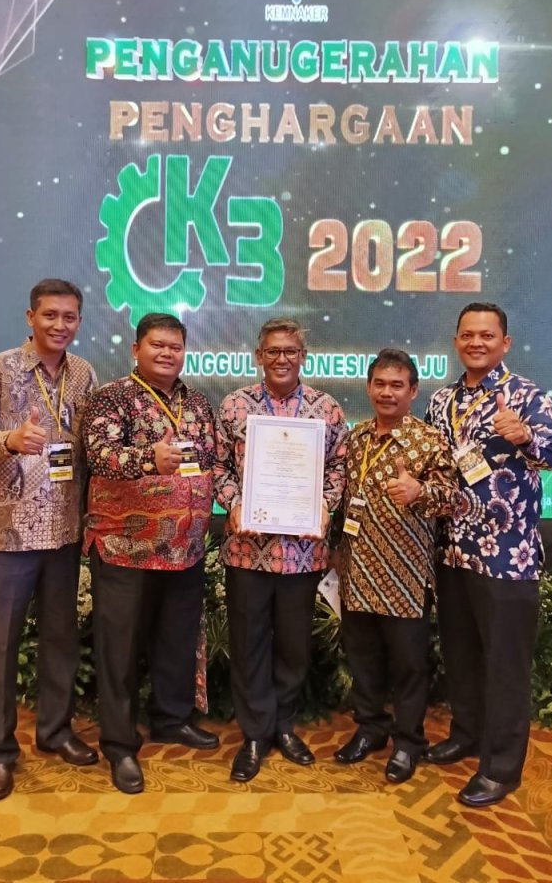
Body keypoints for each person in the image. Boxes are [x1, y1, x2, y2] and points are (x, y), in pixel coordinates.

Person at [0, 279, 99, 802]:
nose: (60, 325)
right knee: (0, 647)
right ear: (30, 317)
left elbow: (88, 446)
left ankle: (55, 732)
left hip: (63, 531)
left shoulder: (83, 373)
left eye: (70, 316)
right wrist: (9, 440)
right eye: (50, 315)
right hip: (8, 534)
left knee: (61, 641)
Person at [425, 302, 552, 807]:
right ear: (456, 341)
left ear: (505, 343)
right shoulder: (442, 401)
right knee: (461, 655)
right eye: (468, 334)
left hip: (507, 557)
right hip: (453, 552)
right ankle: (466, 735)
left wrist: (526, 435)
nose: (477, 342)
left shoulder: (526, 395)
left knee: (505, 665)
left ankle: (502, 767)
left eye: (487, 335)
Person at [82, 312, 218, 795]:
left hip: (185, 548)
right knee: (119, 651)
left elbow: (211, 459)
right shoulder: (112, 398)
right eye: (157, 345)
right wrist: (147, 459)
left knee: (175, 642)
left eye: (175, 347)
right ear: (136, 349)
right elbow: (98, 455)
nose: (167, 353)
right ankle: (119, 744)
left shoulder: (197, 402)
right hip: (126, 548)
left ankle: (171, 719)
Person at [214, 317, 348, 783]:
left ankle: (284, 726)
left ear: (303, 357)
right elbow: (218, 467)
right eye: (273, 351)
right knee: (249, 643)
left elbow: (338, 469)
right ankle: (255, 734)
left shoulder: (326, 409)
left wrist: (325, 506)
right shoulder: (234, 406)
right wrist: (233, 504)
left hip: (302, 554)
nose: (282, 359)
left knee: (293, 646)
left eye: (290, 351)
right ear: (258, 356)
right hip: (247, 551)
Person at [332, 349, 457, 783]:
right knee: (363, 660)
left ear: (413, 390)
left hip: (405, 576)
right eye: (380, 384)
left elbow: (451, 499)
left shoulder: (429, 441)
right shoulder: (357, 437)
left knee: (408, 666)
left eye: (397, 385)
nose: (387, 393)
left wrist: (419, 491)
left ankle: (408, 742)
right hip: (357, 572)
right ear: (369, 387)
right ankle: (371, 728)